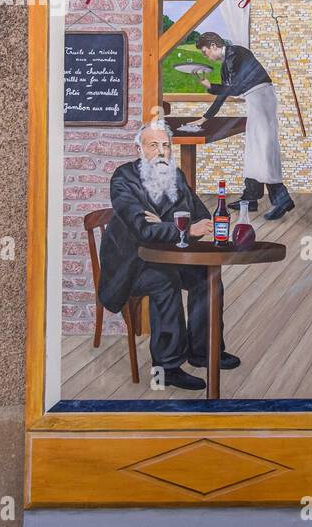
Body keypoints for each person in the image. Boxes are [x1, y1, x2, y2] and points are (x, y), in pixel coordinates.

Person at [98, 117, 242, 391]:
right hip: (132, 265)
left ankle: (203, 351)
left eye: (166, 145)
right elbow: (142, 229)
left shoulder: (176, 176)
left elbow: (200, 216)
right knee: (165, 280)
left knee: (207, 275)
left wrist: (174, 225)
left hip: (171, 255)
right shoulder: (123, 178)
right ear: (139, 149)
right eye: (153, 145)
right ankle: (168, 366)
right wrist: (182, 229)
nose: (161, 151)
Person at [187, 31, 294, 221]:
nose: (206, 56)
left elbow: (234, 89)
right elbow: (225, 94)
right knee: (254, 150)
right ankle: (250, 198)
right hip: (255, 100)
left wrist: (211, 87)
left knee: (263, 149)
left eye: (205, 52)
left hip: (261, 98)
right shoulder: (226, 65)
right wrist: (205, 117)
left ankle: (281, 199)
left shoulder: (237, 54)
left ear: (213, 46)